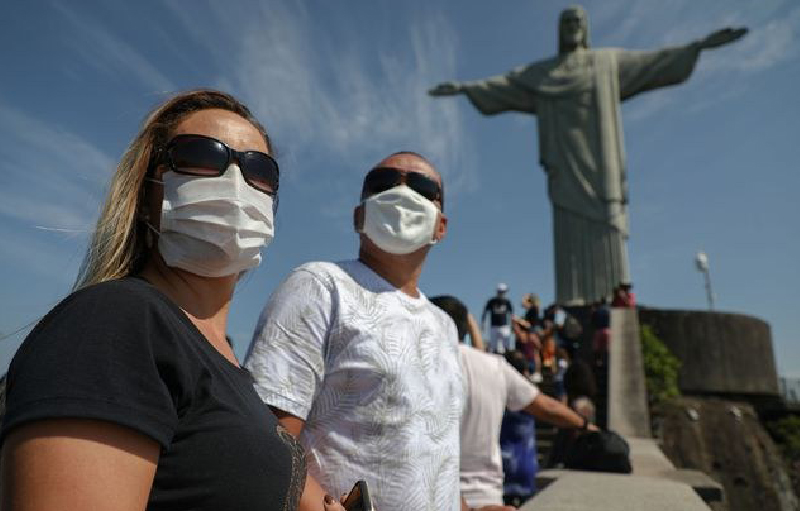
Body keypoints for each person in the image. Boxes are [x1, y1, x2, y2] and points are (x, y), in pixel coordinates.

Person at [0, 90, 335, 510]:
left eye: (259, 169)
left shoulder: (227, 366)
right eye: (200, 156)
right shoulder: (116, 320)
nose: (234, 182)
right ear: (145, 196)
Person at [429, 6, 747, 305]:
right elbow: (505, 84)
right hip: (565, 163)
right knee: (568, 223)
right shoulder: (543, 73)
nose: (572, 27)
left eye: (578, 21)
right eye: (566, 22)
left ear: (586, 29)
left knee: (608, 219)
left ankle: (617, 295)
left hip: (602, 159)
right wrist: (465, 88)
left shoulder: (607, 62)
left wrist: (697, 47)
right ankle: (575, 296)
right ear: (559, 30)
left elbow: (655, 61)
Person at [245, 152, 482, 511]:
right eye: (383, 184)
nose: (402, 192)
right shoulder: (320, 286)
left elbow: (433, 459)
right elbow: (266, 439)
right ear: (359, 216)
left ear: (441, 226)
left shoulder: (445, 325)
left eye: (421, 187)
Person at [431, 295, 596, 508]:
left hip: (433, 496)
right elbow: (547, 407)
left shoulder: (416, 366)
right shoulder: (494, 366)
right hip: (486, 497)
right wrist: (584, 424)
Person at [482, 283, 514, 353]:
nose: (502, 293)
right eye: (501, 292)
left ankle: (507, 360)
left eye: (504, 292)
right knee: (494, 348)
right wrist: (483, 324)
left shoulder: (507, 302)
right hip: (494, 327)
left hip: (505, 327)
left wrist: (513, 326)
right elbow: (485, 313)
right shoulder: (491, 302)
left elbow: (512, 315)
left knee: (507, 348)